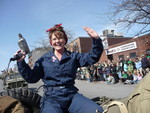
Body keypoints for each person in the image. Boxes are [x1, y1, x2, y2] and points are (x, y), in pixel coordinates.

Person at [16, 24, 104, 113]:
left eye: (60, 38)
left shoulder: (73, 57)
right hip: (52, 99)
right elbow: (31, 78)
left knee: (97, 110)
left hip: (71, 95)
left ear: (65, 40)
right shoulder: (43, 60)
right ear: (51, 42)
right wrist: (21, 62)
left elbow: (92, 57)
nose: (57, 41)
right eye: (54, 39)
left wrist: (96, 40)